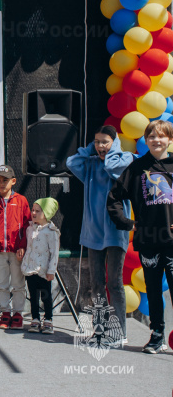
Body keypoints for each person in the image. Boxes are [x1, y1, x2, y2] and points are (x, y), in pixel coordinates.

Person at [107, 120, 173, 353]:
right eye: (152, 136)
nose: (157, 140)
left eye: (162, 136)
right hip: (148, 241)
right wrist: (127, 223)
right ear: (146, 140)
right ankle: (157, 336)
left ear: (170, 140)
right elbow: (114, 198)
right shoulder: (136, 168)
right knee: (153, 290)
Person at [67, 125, 133, 344]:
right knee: (96, 283)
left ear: (115, 142)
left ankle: (120, 333)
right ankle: (100, 328)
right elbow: (71, 163)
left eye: (105, 141)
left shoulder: (125, 158)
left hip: (115, 231)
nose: (100, 146)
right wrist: (90, 149)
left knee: (114, 283)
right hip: (93, 231)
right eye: (96, 141)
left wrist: (111, 151)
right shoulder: (91, 164)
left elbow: (114, 168)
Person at [0, 165, 31, 330]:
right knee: (2, 283)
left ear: (13, 181)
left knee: (18, 284)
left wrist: (22, 246)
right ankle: (5, 312)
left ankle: (18, 314)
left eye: (5, 180)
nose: (1, 183)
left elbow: (27, 225)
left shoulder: (21, 200)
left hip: (16, 250)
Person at [22, 198, 60, 334]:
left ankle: (48, 319)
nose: (33, 213)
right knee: (33, 295)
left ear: (46, 213)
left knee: (46, 295)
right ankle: (35, 318)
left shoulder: (52, 232)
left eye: (38, 211)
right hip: (31, 268)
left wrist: (51, 270)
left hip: (43, 270)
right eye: (33, 210)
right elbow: (28, 247)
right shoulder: (29, 229)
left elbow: (54, 253)